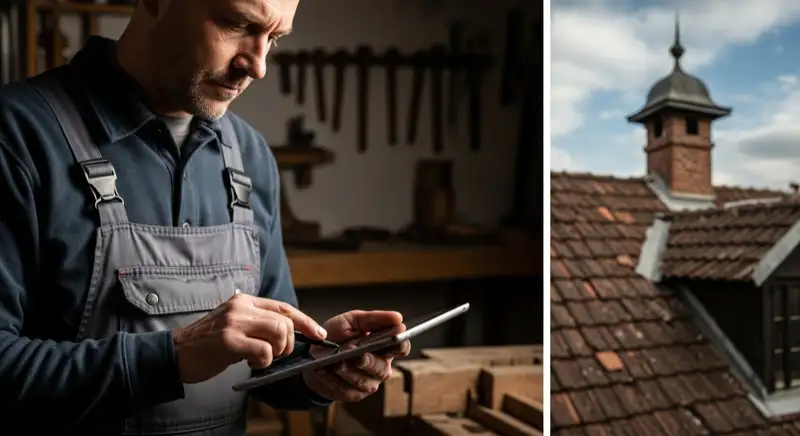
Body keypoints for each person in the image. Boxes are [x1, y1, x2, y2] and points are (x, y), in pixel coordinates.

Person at [0, 0, 410, 434]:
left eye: (273, 38)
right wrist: (173, 357)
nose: (257, 66)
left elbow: (264, 361)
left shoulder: (248, 154)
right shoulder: (18, 136)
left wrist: (315, 364)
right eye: (237, 24)